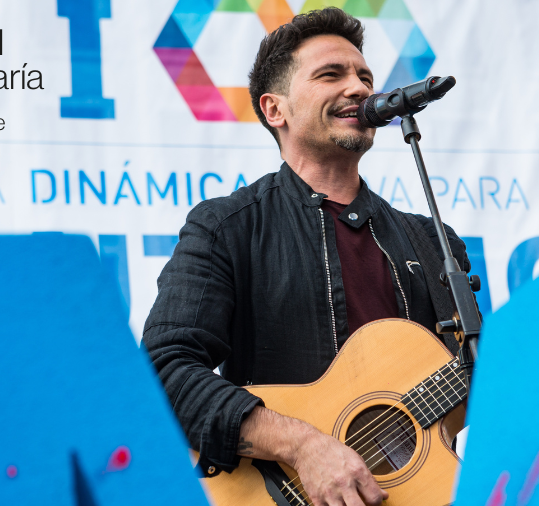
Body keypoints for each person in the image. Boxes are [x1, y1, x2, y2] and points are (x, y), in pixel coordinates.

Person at [142, 7, 470, 506]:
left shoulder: (433, 241)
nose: (359, 88)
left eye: (365, 77)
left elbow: (479, 377)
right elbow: (164, 371)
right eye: (331, 75)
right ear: (275, 109)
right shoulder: (228, 226)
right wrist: (303, 446)